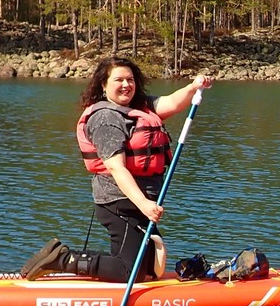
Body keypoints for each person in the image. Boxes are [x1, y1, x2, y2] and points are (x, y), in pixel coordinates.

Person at [20, 56, 212, 282]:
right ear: (103, 85)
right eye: (118, 80)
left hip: (138, 202)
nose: (126, 85)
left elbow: (170, 102)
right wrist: (145, 204)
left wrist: (193, 87)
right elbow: (116, 167)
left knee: (150, 268)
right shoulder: (106, 119)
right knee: (131, 273)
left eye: (130, 79)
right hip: (119, 202)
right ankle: (62, 259)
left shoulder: (139, 108)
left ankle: (66, 260)